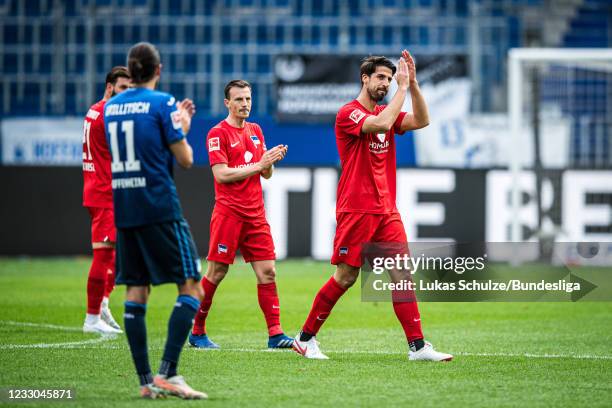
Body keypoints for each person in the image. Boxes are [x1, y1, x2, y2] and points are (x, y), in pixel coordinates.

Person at [292, 51, 453, 362]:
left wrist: (414, 84)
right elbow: (379, 122)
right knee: (346, 277)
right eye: (381, 77)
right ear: (364, 78)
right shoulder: (348, 114)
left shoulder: (387, 111)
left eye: (390, 79)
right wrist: (402, 90)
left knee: (402, 274)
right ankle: (305, 338)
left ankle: (417, 346)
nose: (386, 83)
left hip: (386, 209)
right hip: (357, 208)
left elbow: (422, 119)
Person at [105, 42, 206, 399]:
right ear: (158, 70)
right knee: (193, 286)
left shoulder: (110, 109)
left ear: (129, 72)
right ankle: (169, 373)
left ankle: (146, 381)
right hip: (159, 207)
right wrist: (183, 125)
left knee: (137, 289)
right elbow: (186, 159)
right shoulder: (163, 103)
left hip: (125, 207)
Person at [188, 80, 293, 349]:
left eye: (247, 99)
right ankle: (197, 331)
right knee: (217, 271)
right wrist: (259, 163)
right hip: (229, 213)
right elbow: (221, 174)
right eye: (239, 100)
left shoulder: (256, 130)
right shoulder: (217, 133)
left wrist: (269, 162)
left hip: (255, 214)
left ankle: (275, 334)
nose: (245, 104)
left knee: (268, 271)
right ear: (227, 103)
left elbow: (265, 174)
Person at [82, 66, 130, 335]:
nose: (126, 94)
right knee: (103, 254)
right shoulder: (108, 117)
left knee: (113, 252)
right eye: (122, 88)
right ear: (110, 86)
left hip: (97, 188)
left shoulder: (94, 109)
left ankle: (101, 303)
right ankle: (91, 318)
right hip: (104, 192)